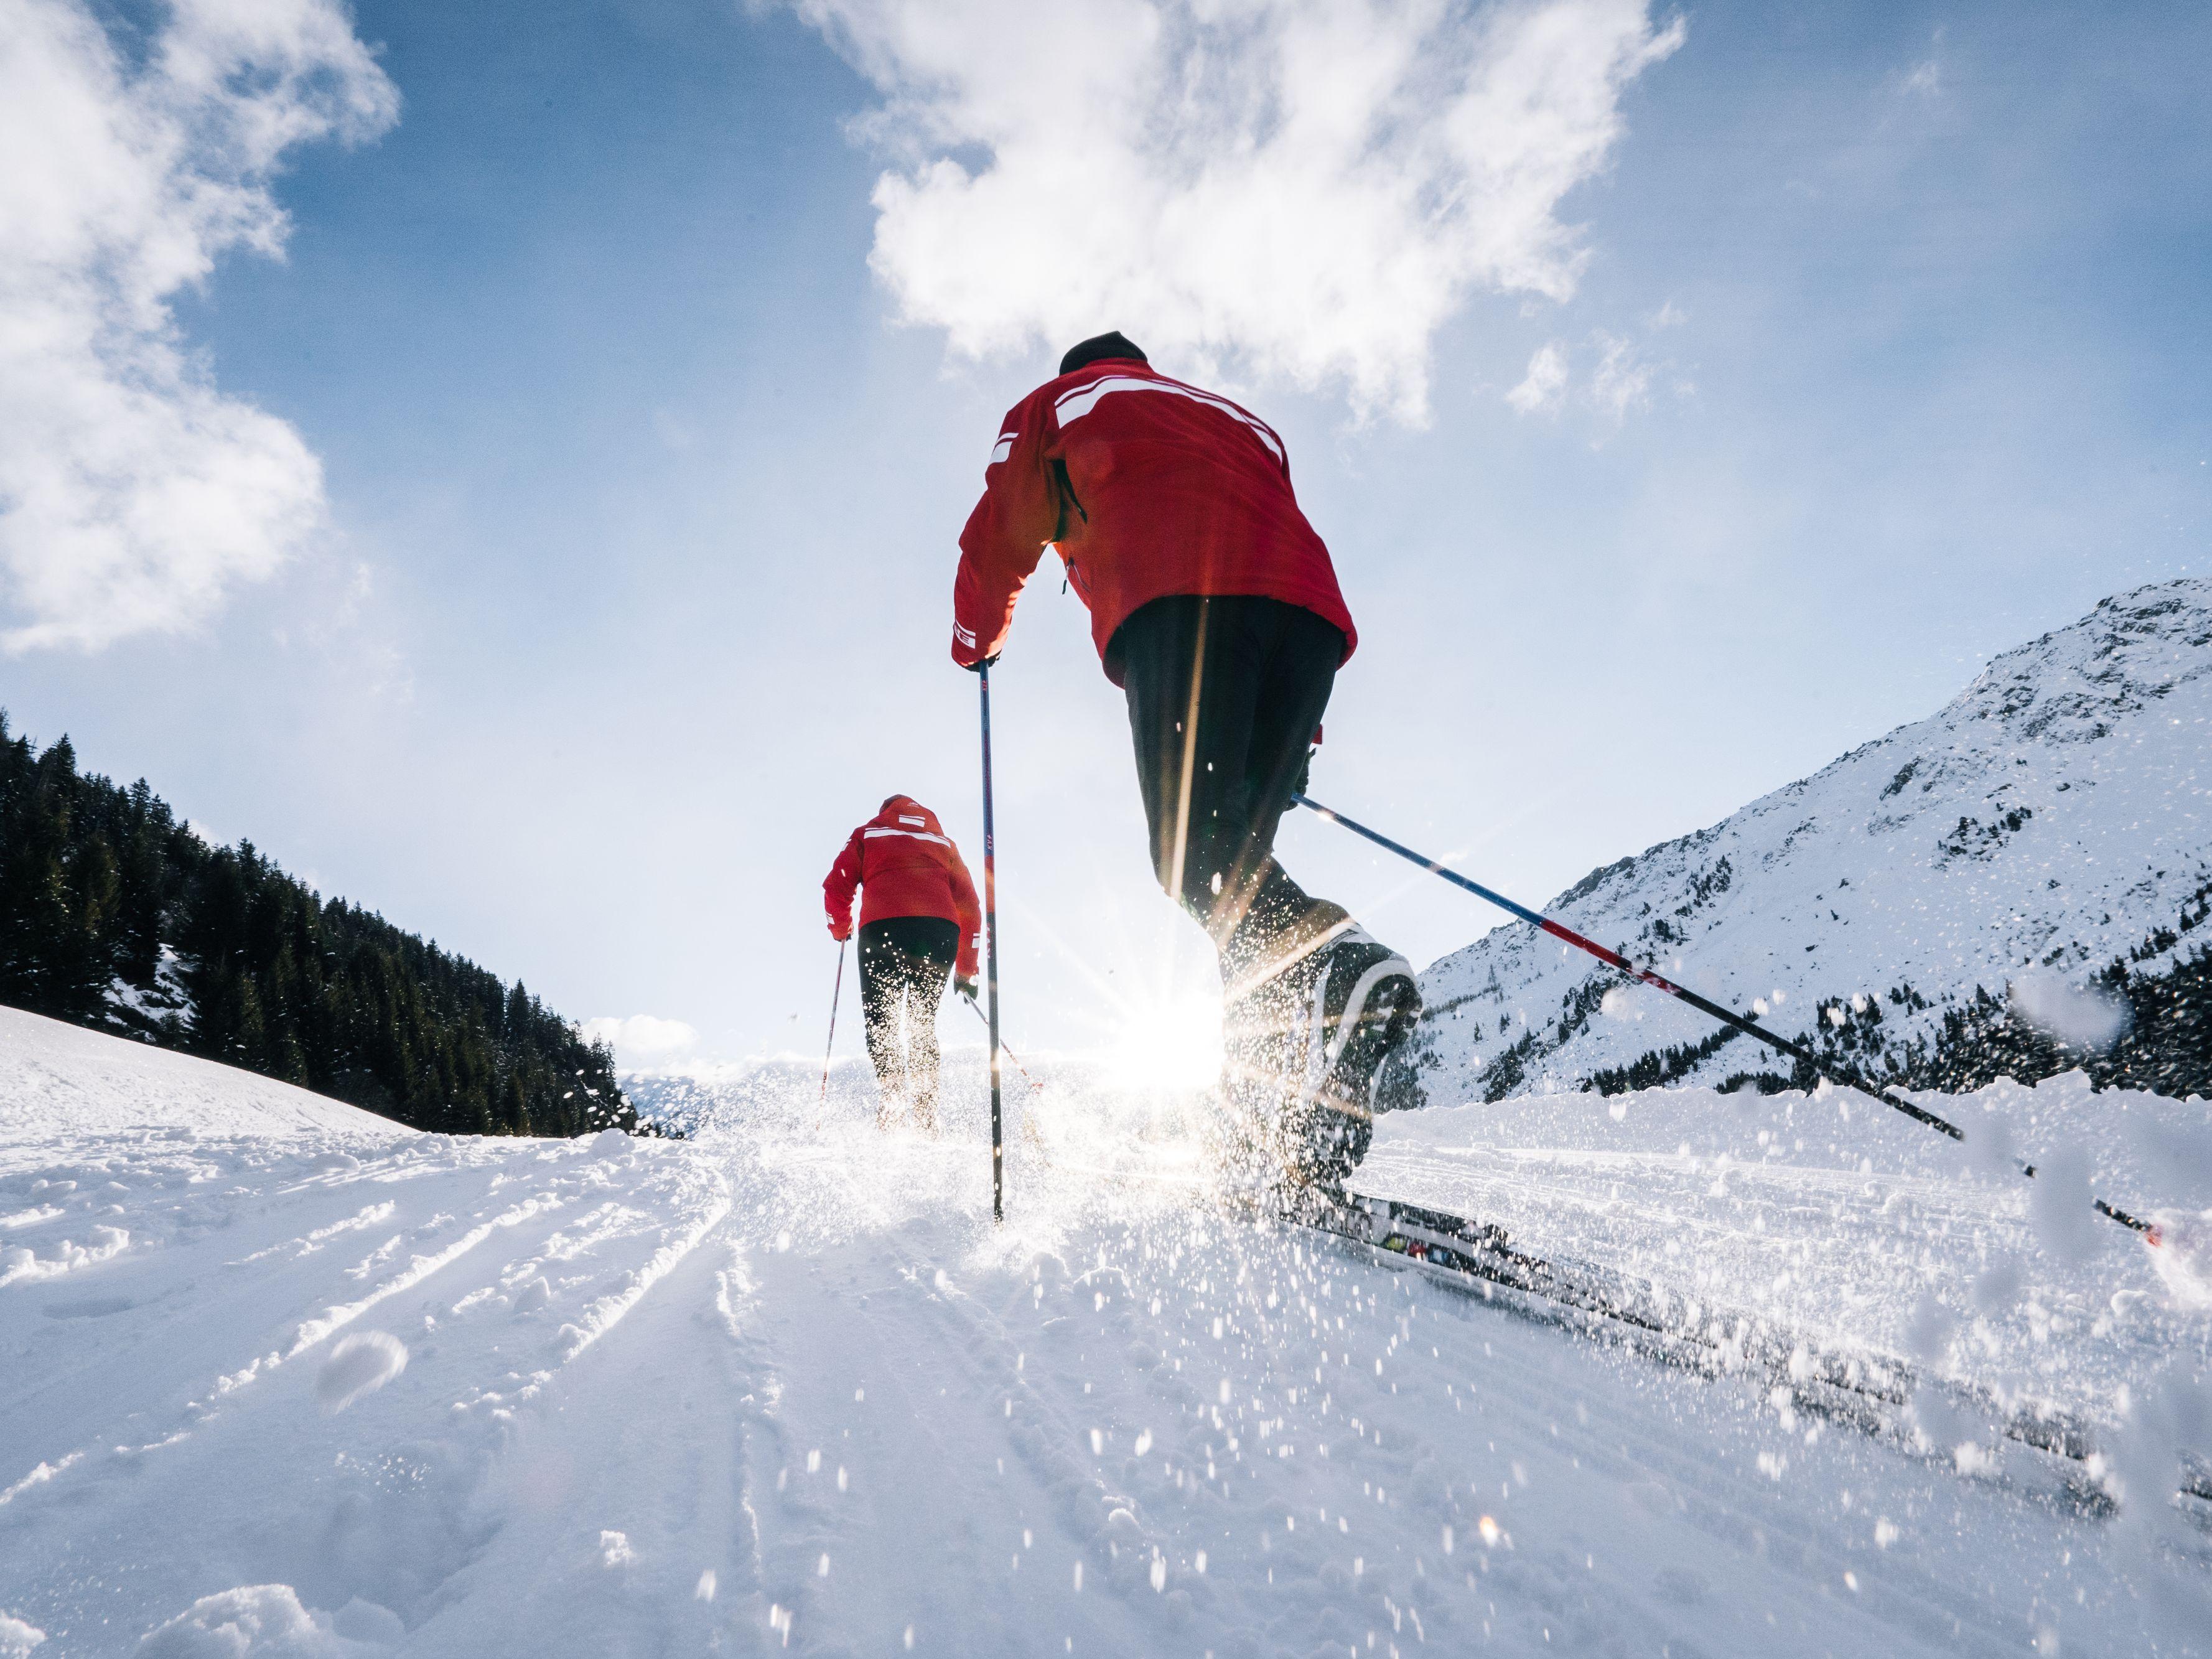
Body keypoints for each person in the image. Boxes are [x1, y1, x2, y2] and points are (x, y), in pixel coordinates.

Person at [948, 330, 1420, 1187]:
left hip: (1183, 598)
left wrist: (974, 639)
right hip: (1307, 619)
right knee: (1234, 874)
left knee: (1188, 856)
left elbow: (998, 534)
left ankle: (1336, 959)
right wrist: (1293, 735)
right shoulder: (1235, 417)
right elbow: (1268, 523)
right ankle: (1268, 1115)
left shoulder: (1059, 404)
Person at [822, 795, 982, 1131]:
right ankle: (926, 1113)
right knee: (921, 1023)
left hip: (883, 930)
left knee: (882, 1023)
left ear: (885, 811)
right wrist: (967, 969)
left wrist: (841, 927)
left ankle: (893, 1099)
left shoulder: (869, 834)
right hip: (938, 931)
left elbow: (836, 885)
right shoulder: (944, 843)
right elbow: (970, 906)